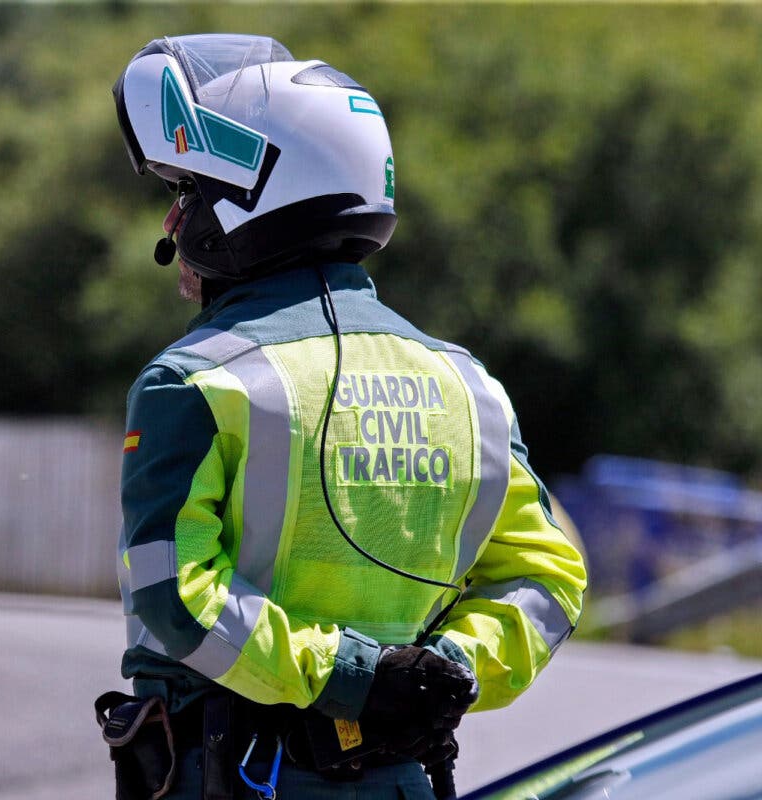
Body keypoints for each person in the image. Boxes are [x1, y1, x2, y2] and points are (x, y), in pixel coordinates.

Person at [100, 34, 587, 800]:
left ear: (249, 198)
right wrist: (440, 676)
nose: (171, 221)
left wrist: (352, 677)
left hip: (232, 777)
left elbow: (173, 595)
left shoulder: (191, 382)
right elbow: (548, 579)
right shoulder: (471, 388)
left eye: (189, 193)